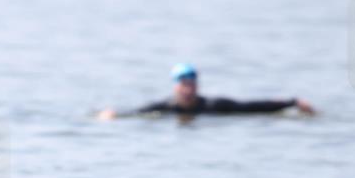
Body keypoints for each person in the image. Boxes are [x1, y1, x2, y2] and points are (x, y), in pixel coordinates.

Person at [98, 63, 315, 119]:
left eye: (192, 84)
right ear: (176, 86)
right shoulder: (164, 107)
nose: (188, 89)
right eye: (183, 84)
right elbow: (136, 113)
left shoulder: (213, 106)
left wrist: (292, 102)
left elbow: (251, 107)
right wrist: (113, 114)